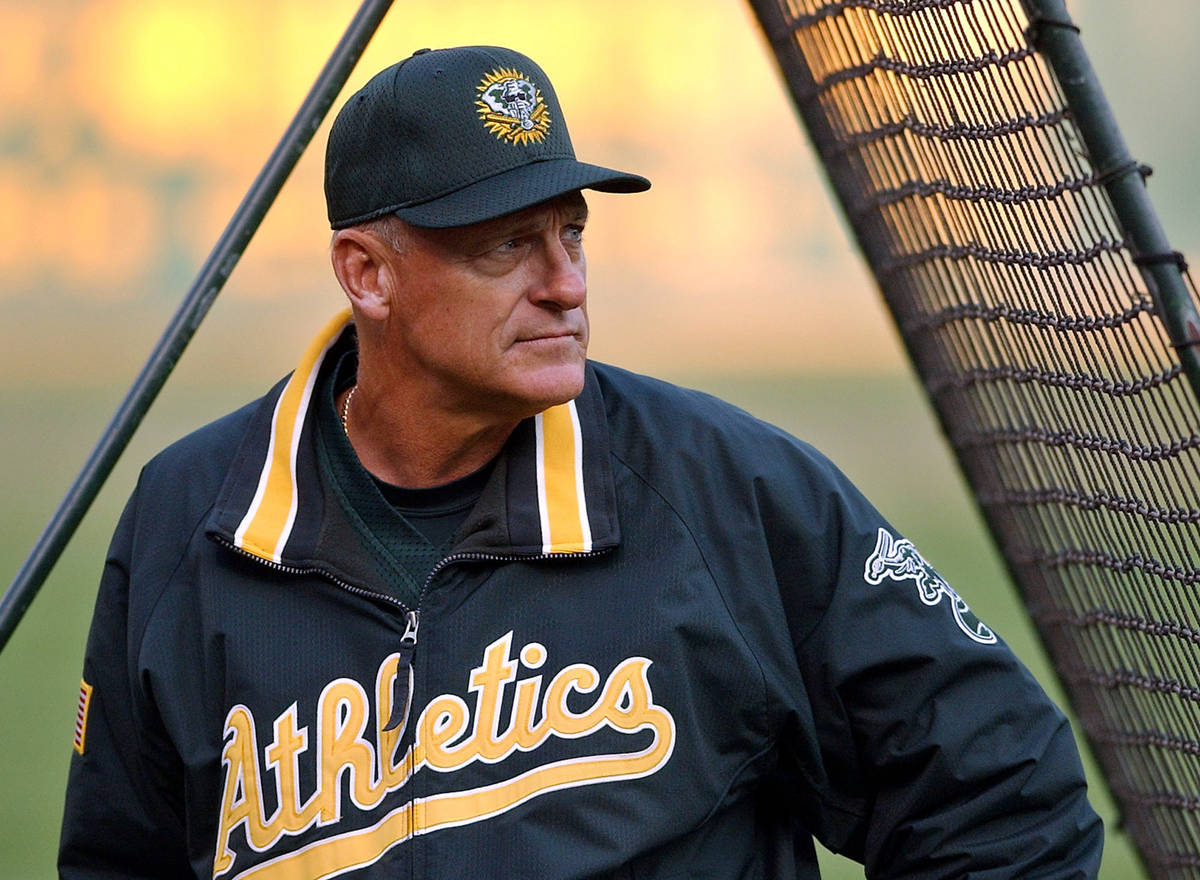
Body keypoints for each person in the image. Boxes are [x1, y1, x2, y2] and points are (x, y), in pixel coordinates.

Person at [58, 45, 1103, 879]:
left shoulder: (721, 489)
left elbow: (1007, 798)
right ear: (367, 274)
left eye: (572, 232)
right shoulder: (190, 523)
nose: (566, 282)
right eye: (507, 245)